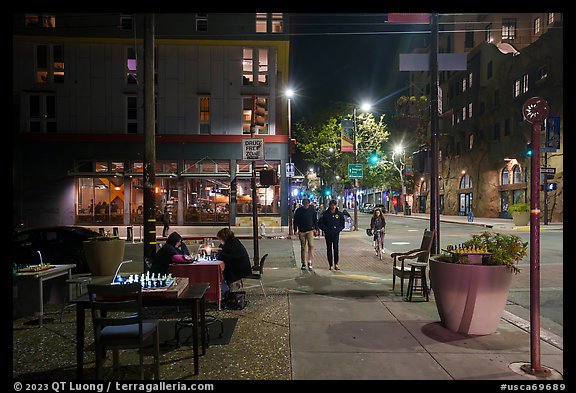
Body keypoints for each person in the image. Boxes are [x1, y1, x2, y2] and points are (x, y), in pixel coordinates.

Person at [318, 199, 345, 271]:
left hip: (336, 234)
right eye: (331, 205)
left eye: (334, 205)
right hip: (328, 234)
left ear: (336, 206)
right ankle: (330, 264)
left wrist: (338, 230)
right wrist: (326, 230)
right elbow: (320, 224)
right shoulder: (325, 214)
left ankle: (336, 263)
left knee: (336, 248)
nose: (333, 207)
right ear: (329, 205)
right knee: (329, 248)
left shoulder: (339, 214)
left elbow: (342, 225)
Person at [293, 198, 319, 270]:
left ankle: (310, 261)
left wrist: (316, 229)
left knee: (311, 245)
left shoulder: (312, 210)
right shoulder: (298, 211)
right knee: (303, 247)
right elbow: (295, 221)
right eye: (304, 205)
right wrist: (295, 230)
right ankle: (303, 263)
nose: (306, 206)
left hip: (310, 230)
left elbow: (315, 220)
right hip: (301, 231)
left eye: (307, 205)